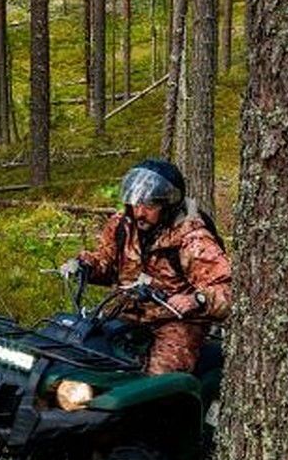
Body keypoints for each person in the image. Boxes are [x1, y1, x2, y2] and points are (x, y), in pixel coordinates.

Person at [61, 158, 231, 374]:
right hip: (126, 313)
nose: (140, 212)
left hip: (174, 322)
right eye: (136, 203)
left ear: (168, 206)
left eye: (150, 206)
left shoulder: (193, 240)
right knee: (84, 352)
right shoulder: (123, 225)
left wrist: (195, 299)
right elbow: (106, 262)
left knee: (158, 380)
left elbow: (229, 290)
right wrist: (84, 265)